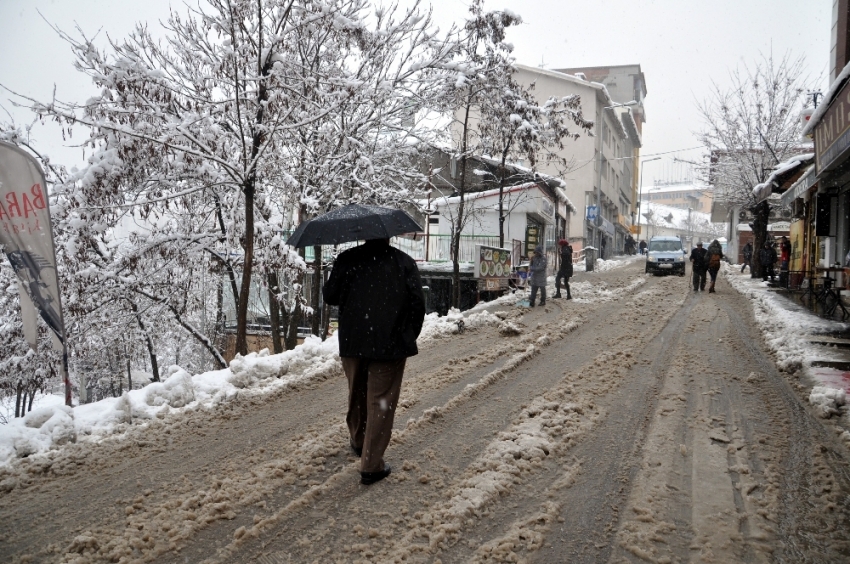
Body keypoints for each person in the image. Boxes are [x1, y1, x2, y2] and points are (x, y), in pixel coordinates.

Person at [323, 238, 426, 485]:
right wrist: (407, 335)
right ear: (389, 234)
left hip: (353, 342)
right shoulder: (403, 262)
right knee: (381, 402)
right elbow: (417, 306)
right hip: (390, 344)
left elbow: (330, 296)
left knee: (357, 394)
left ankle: (359, 441)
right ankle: (371, 464)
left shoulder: (347, 259)